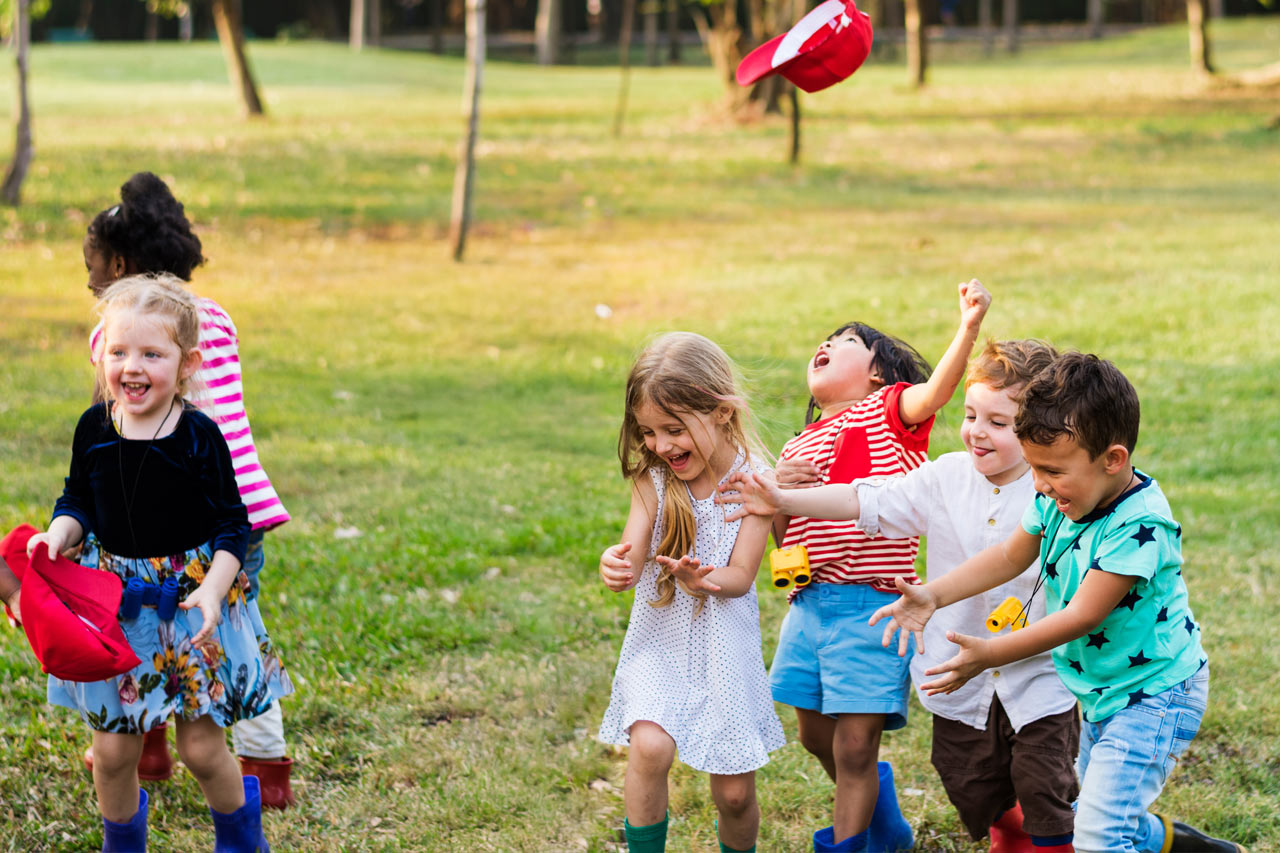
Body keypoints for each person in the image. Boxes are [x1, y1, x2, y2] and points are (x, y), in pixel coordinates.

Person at [869, 352, 1246, 853]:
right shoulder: (1058, 497)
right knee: (1103, 815)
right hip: (1102, 694)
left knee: (1096, 836)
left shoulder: (1139, 527)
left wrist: (990, 655)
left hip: (1155, 696)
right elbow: (1007, 556)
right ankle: (1191, 846)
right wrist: (933, 595)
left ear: (1112, 459)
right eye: (1033, 469)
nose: (1039, 485)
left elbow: (1082, 616)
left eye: (1051, 471)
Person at [723, 340, 1079, 853]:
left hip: (1039, 673)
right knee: (972, 786)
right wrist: (783, 498)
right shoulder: (947, 477)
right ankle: (1041, 828)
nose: (977, 431)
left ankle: (1056, 834)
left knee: (1044, 786)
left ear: (1040, 431)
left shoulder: (1054, 490)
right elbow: (866, 499)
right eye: (972, 414)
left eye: (999, 424)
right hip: (956, 676)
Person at [27, 274, 291, 852]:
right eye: (119, 352)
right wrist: (58, 533)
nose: (133, 367)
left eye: (152, 353)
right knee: (115, 751)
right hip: (116, 606)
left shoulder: (199, 435)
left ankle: (242, 840)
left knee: (200, 749)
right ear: (102, 356)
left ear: (188, 363)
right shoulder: (95, 426)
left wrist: (215, 591)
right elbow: (78, 500)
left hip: (192, 608)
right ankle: (122, 843)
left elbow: (231, 526)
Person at [82, 171, 296, 806]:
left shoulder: (114, 338)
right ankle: (266, 768)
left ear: (120, 264)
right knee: (235, 634)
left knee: (152, 629)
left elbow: (120, 433)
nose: (91, 284)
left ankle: (144, 743)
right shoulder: (213, 319)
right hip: (247, 505)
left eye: (93, 270)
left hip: (186, 518)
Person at [760, 280, 991, 853]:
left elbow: (935, 393)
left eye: (843, 341)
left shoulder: (888, 414)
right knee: (815, 735)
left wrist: (967, 326)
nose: (826, 343)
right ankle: (885, 822)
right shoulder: (797, 446)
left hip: (873, 607)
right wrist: (771, 497)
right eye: (825, 339)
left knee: (855, 747)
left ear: (877, 375)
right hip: (808, 608)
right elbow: (783, 528)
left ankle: (847, 844)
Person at [597, 332, 785, 853]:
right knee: (649, 748)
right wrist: (616, 564)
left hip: (726, 649)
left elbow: (743, 576)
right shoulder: (653, 481)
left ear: (722, 412)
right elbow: (631, 556)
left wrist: (704, 580)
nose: (660, 445)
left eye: (674, 429)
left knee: (734, 796)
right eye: (649, 431)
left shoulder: (754, 485)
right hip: (661, 643)